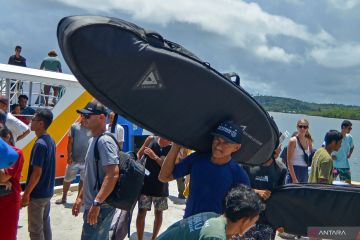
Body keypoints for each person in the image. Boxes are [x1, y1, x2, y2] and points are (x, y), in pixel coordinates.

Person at [159, 121, 250, 219]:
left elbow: (244, 210)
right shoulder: (197, 159)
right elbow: (164, 177)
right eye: (217, 140)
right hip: (189, 224)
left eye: (226, 143)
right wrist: (176, 146)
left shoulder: (238, 174)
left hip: (214, 231)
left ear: (236, 147)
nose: (218, 146)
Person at [72, 101, 120, 240]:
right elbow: (90, 173)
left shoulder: (104, 141)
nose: (83, 119)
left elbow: (113, 174)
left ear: (101, 117)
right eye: (83, 116)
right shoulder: (94, 139)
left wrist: (97, 202)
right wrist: (80, 197)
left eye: (87, 116)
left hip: (101, 206)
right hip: (94, 204)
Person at [157, 184, 265, 240]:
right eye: (253, 222)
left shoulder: (212, 217)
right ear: (245, 221)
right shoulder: (215, 236)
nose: (253, 225)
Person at [21, 109, 56, 240]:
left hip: (38, 194)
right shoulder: (50, 140)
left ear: (41, 123)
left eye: (33, 120)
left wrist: (26, 194)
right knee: (45, 224)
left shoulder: (40, 144)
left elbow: (36, 173)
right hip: (47, 192)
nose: (31, 122)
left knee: (35, 230)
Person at [241, 145, 287, 240]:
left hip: (268, 223)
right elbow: (238, 189)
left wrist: (280, 221)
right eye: (275, 145)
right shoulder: (248, 163)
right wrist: (255, 191)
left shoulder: (281, 169)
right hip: (247, 220)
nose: (279, 148)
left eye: (279, 146)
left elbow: (281, 199)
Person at [136, 136, 172, 240]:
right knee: (141, 212)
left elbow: (168, 167)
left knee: (159, 213)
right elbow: (139, 154)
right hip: (145, 185)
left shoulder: (172, 147)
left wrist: (154, 157)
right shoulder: (151, 139)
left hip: (161, 186)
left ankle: (153, 238)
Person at [56, 115, 91, 204]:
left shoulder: (92, 128)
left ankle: (79, 199)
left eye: (87, 117)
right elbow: (70, 142)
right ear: (81, 116)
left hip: (86, 160)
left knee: (83, 180)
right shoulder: (74, 127)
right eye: (84, 116)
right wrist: (69, 156)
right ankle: (64, 197)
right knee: (67, 179)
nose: (85, 118)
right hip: (74, 159)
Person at [0, 126, 24, 240]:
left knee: (7, 235)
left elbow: (4, 178)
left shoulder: (16, 154)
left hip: (8, 200)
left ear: (7, 138)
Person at [286, 119, 313, 183]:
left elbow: (310, 156)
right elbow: (289, 161)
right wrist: (294, 179)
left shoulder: (309, 140)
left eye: (305, 127)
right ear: (297, 127)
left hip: (305, 171)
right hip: (294, 171)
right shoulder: (293, 141)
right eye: (300, 126)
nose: (302, 128)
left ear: (307, 128)